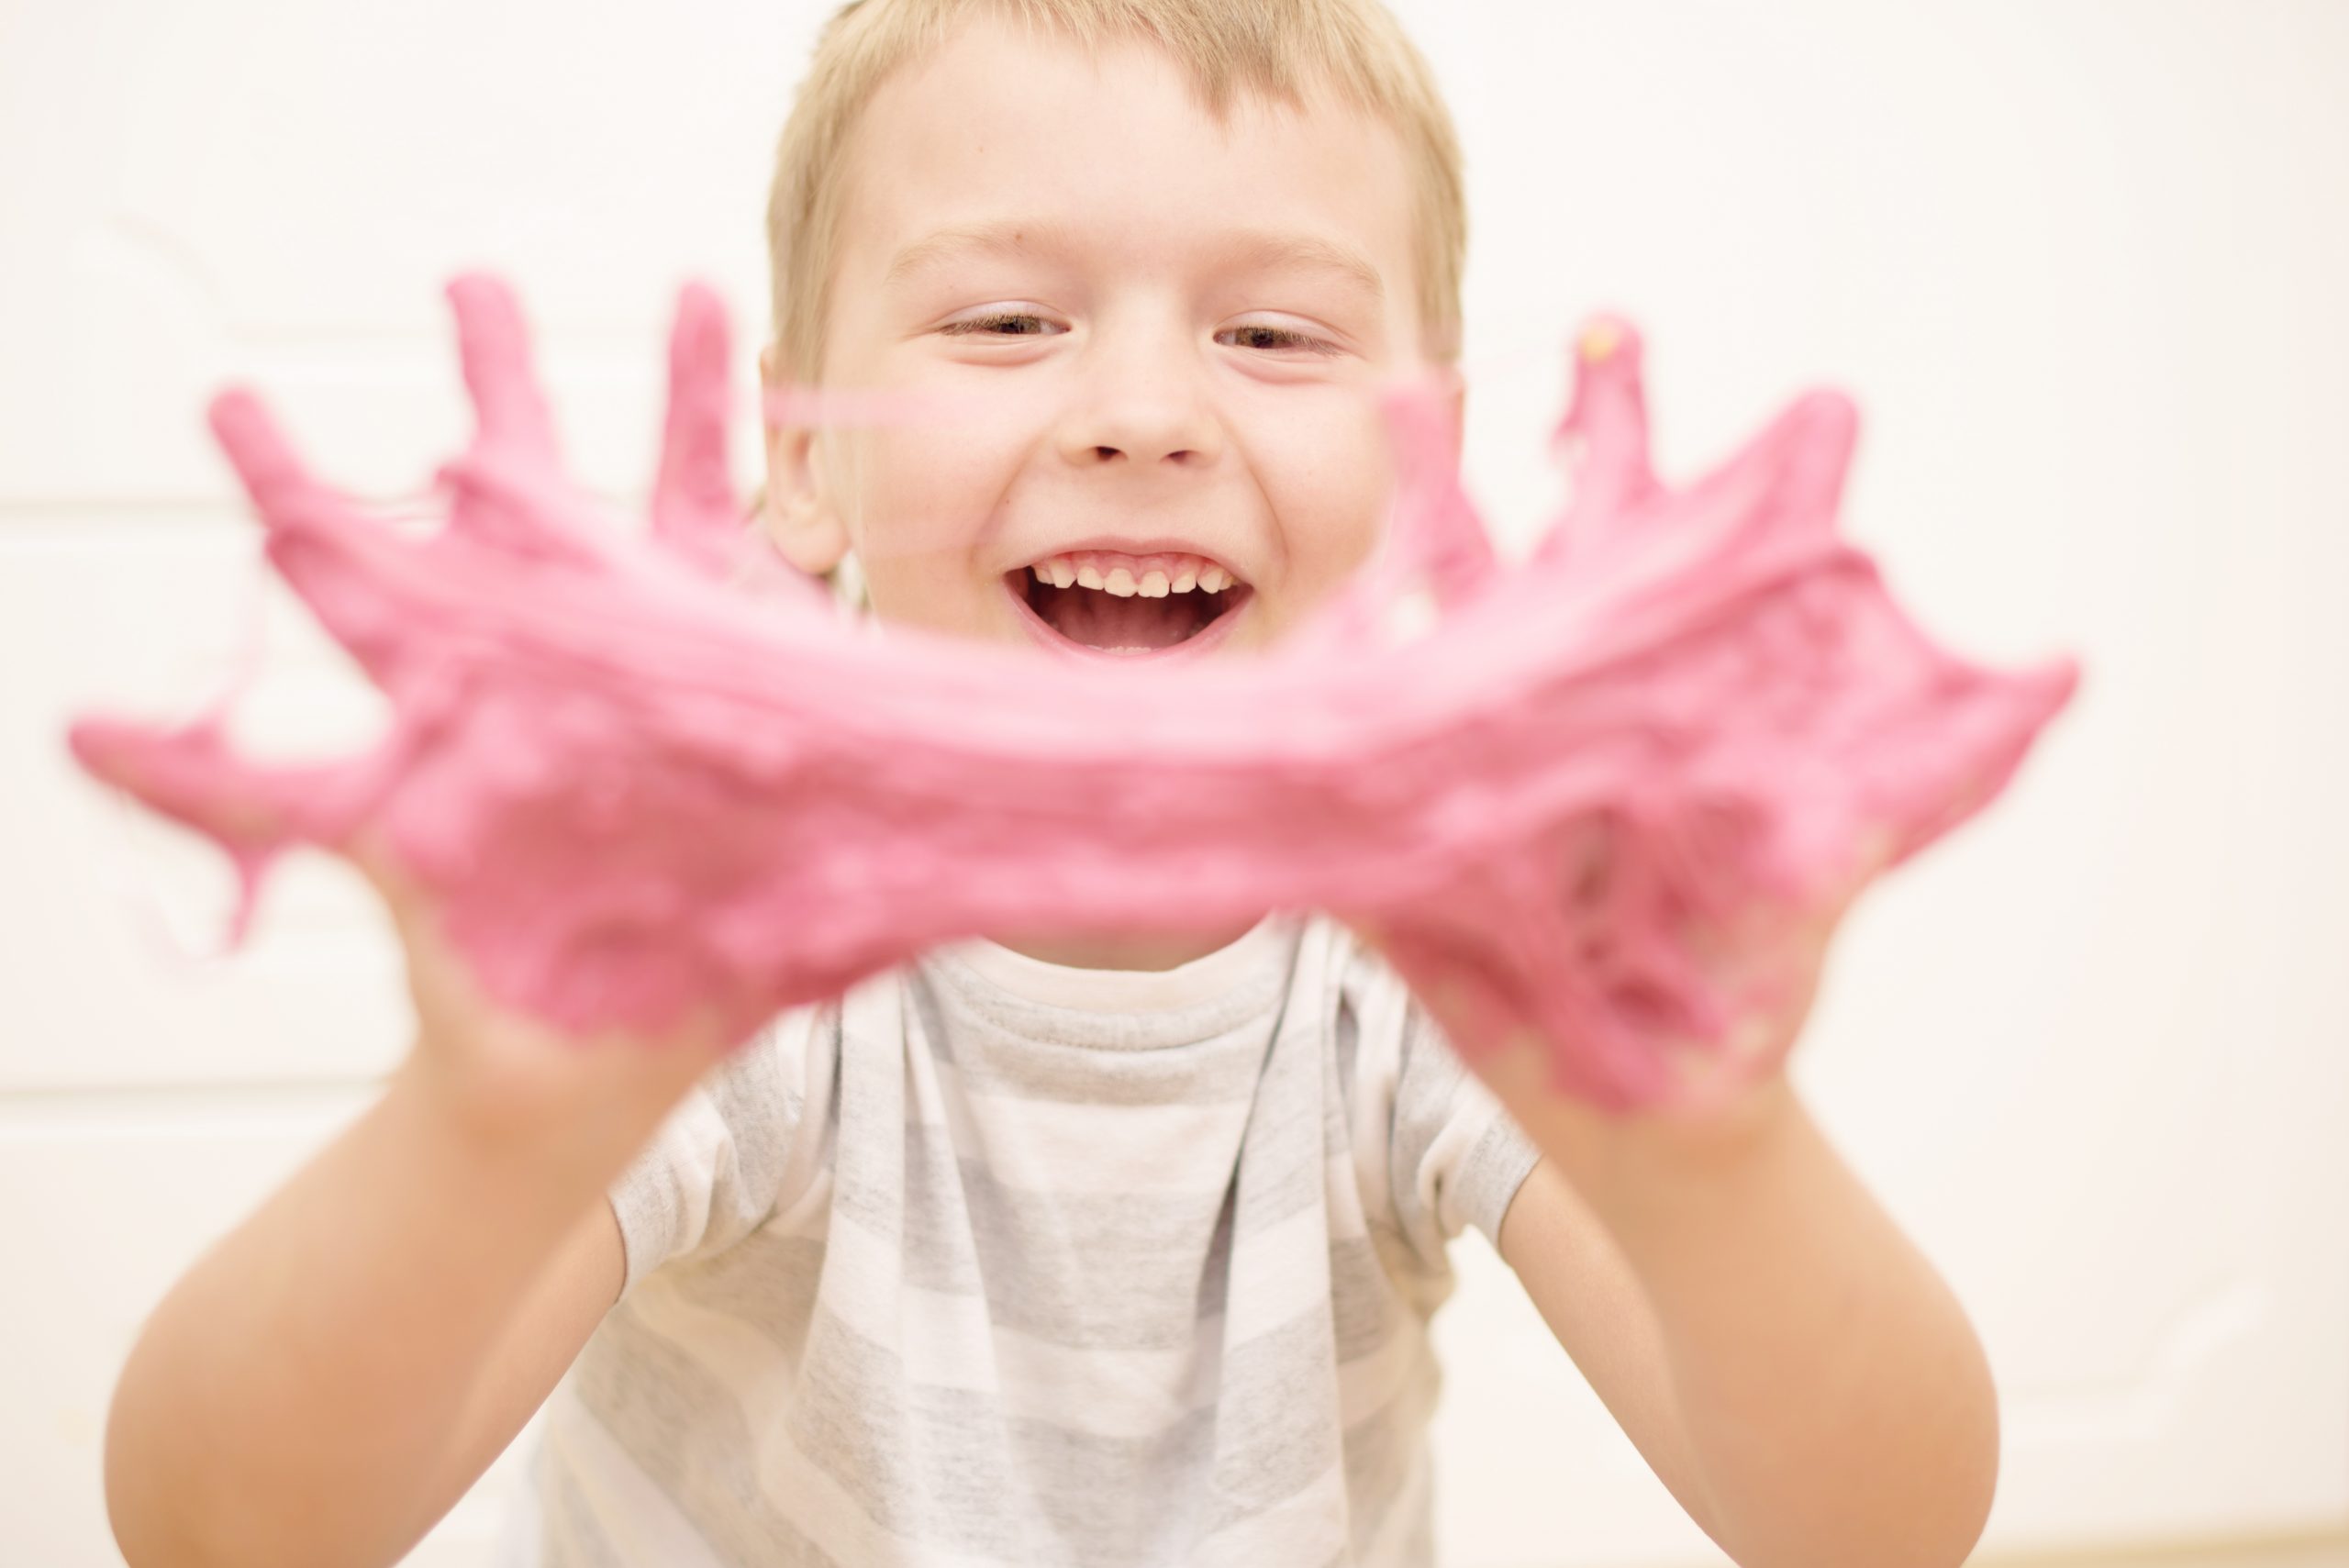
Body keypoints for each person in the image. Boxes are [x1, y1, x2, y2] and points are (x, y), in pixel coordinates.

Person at [100, 3, 2001, 1564]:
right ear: (799, 452)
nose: (1142, 413)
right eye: (1006, 321)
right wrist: (483, 1128)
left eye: (1271, 335)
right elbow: (214, 1534)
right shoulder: (724, 955)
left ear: (1430, 461)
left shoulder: (1444, 965)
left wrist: (1706, 1143)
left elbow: (1878, 1533)